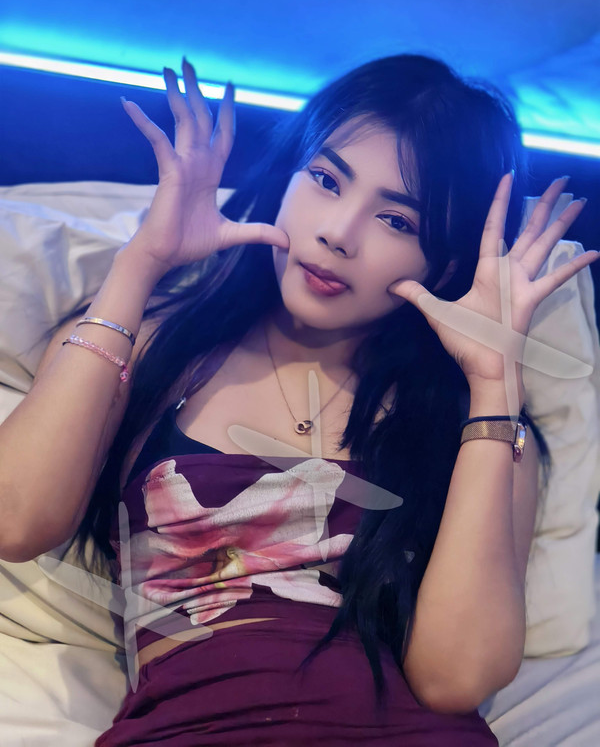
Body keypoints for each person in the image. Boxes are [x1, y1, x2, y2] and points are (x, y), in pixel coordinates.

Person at [0, 54, 597, 746]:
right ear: (287, 175)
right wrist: (141, 263)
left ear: (450, 263)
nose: (338, 232)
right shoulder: (152, 345)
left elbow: (455, 681)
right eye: (325, 179)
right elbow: (16, 519)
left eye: (397, 221)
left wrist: (494, 389)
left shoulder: (476, 426)